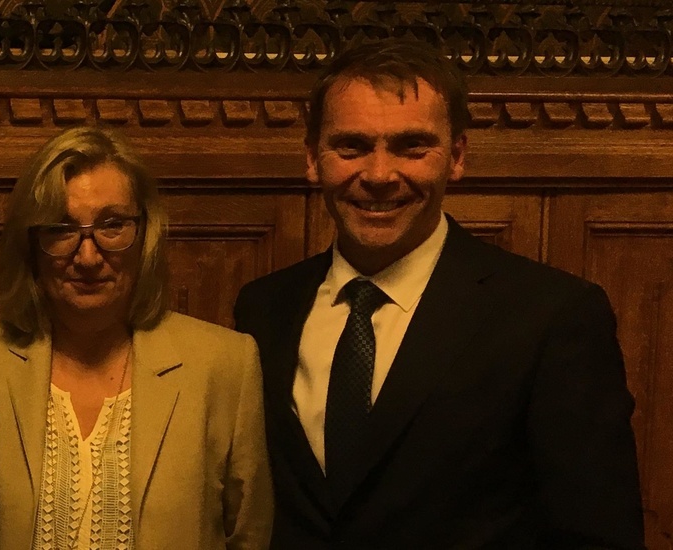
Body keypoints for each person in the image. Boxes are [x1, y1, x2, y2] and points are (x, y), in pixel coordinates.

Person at [232, 39, 644, 548]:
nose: (380, 175)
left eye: (411, 146)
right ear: (313, 159)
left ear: (457, 157)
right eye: (351, 146)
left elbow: (598, 535)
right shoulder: (263, 308)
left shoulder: (550, 316)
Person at [0, 126, 272, 550]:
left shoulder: (223, 363)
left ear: (145, 233)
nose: (89, 256)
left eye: (112, 225)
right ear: (31, 244)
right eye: (61, 229)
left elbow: (249, 537)